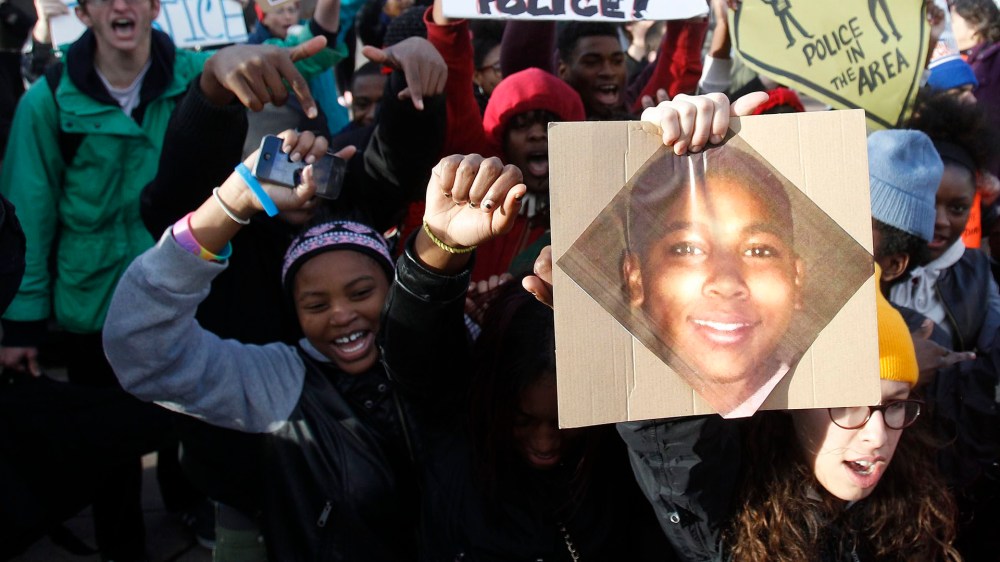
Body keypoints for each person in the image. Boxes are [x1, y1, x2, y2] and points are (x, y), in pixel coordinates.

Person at [103, 140, 527, 559]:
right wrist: (232, 201)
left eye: (361, 293)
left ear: (394, 291)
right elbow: (143, 351)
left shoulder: (452, 348)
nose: (341, 315)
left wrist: (496, 324)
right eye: (316, 305)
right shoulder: (282, 381)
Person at [421, 283, 675, 560]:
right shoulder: (455, 461)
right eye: (522, 421)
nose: (545, 445)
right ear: (493, 401)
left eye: (564, 422)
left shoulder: (637, 472)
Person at [620, 139, 805, 417]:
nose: (728, 283)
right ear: (635, 277)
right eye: (687, 249)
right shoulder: (608, 430)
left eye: (758, 250)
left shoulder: (831, 419)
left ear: (797, 279)